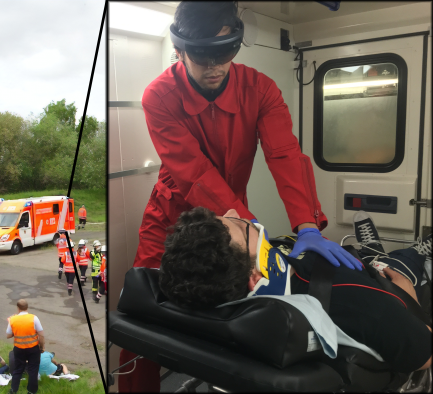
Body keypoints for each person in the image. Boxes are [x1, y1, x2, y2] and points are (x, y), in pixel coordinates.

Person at [119, 2, 362, 390]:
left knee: (239, 301)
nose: (215, 66)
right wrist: (251, 229)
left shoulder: (260, 88)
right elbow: (194, 173)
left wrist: (305, 225)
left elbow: (285, 155)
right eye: (202, 55)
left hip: (232, 215)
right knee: (142, 311)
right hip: (171, 214)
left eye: (226, 52)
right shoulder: (159, 96)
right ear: (180, 51)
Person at [157, 206, 432, 374]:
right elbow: (424, 354)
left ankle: (373, 251)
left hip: (340, 269)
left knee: (368, 257)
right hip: (385, 284)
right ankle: (408, 254)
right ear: (255, 277)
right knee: (403, 261)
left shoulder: (222, 293)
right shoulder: (359, 302)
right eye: (240, 226)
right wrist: (406, 293)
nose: (235, 212)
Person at [7, 299, 44, 394]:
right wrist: (41, 346)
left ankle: (13, 390)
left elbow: (8, 335)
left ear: (18, 308)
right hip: (33, 348)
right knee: (33, 369)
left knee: (18, 369)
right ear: (27, 307)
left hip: (19, 348)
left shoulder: (12, 319)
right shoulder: (34, 318)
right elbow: (41, 334)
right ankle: (31, 391)